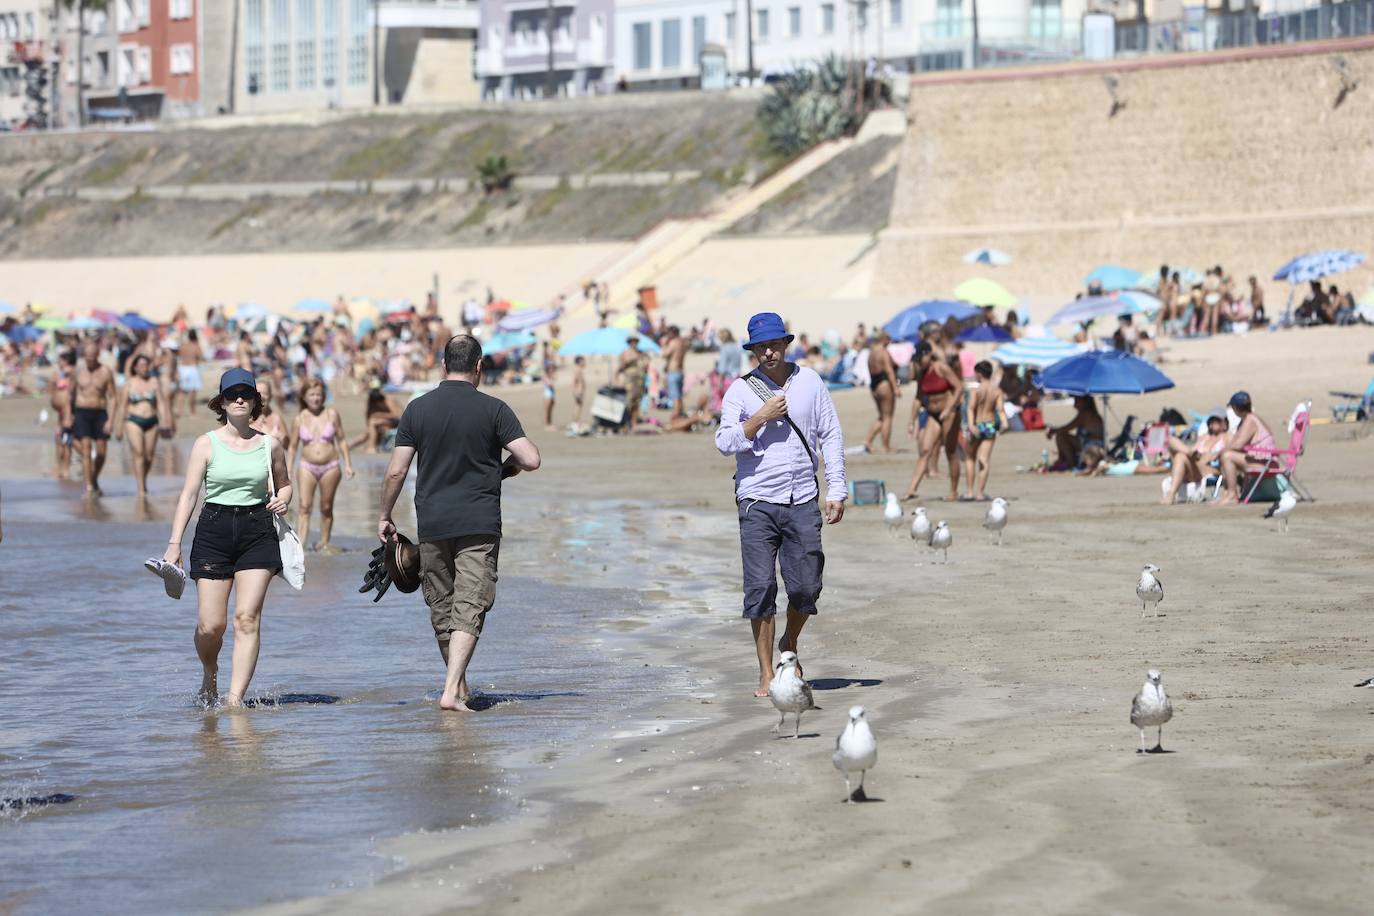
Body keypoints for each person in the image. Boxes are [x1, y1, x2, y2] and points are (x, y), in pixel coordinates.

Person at [378, 335, 541, 712]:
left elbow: (396, 471)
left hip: (433, 523)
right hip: (479, 522)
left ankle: (459, 687)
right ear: (479, 367)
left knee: (443, 607)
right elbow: (530, 459)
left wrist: (384, 516)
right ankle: (452, 692)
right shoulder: (494, 409)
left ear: (442, 365)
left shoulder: (417, 409)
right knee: (470, 604)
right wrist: (506, 468)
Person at [714, 312, 846, 699]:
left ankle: (790, 639)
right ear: (753, 350)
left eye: (774, 345)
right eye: (761, 347)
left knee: (806, 586)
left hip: (803, 495)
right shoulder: (740, 390)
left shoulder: (810, 382)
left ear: (786, 344)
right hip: (756, 499)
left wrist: (836, 489)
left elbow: (831, 435)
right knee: (760, 588)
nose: (769, 352)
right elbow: (724, 442)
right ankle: (767, 672)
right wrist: (760, 418)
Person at [163, 368, 292, 707]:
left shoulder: (270, 445)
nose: (239, 399)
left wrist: (285, 497)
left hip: (257, 530)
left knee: (246, 618)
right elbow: (189, 495)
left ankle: (235, 700)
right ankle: (210, 674)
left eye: (246, 394)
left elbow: (285, 482)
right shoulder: (205, 444)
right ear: (221, 401)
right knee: (211, 626)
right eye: (232, 393)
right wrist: (174, 544)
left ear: (255, 402)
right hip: (213, 531)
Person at [288, 379, 354, 554]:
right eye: (312, 394)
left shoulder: (332, 414)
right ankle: (301, 544)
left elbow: (341, 439)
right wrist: (288, 468)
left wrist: (348, 464)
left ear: (323, 396)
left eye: (318, 394)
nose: (316, 398)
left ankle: (324, 542)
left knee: (326, 506)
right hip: (306, 466)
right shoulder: (299, 418)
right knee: (304, 506)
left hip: (330, 466)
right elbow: (293, 446)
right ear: (304, 396)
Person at [902, 342, 964, 501]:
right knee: (925, 451)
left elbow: (958, 387)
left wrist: (949, 408)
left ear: (928, 354)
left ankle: (953, 491)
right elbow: (918, 398)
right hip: (933, 414)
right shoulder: (921, 373)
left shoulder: (941, 368)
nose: (918, 362)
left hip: (949, 413)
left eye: (920, 358)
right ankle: (912, 489)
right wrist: (911, 421)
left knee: (950, 451)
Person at [113, 353, 170, 498]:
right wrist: (118, 427)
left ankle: (143, 479)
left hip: (152, 421)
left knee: (149, 456)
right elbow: (122, 407)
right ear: (135, 367)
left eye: (146, 365)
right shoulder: (129, 383)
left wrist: (166, 423)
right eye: (141, 366)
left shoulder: (154, 382)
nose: (144, 368)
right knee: (138, 453)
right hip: (133, 421)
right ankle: (141, 489)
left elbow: (162, 404)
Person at [71, 341, 115, 496]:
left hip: (100, 412)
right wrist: (69, 415)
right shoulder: (78, 371)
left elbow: (112, 397)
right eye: (86, 357)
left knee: (102, 452)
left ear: (97, 356)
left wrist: (111, 420)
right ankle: (89, 487)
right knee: (86, 449)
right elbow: (71, 394)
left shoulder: (105, 372)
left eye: (92, 358)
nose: (89, 361)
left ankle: (94, 477)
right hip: (82, 412)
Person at [1217, 391, 1276, 506]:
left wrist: (1221, 451)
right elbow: (1235, 441)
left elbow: (1238, 445)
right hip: (1261, 459)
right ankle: (1227, 493)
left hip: (1265, 463)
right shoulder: (1247, 419)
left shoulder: (1250, 420)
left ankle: (1233, 494)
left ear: (1235, 408)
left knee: (1227, 456)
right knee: (1225, 454)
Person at [1161, 413, 1229, 504]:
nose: (1213, 423)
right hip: (1194, 464)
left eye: (1217, 420)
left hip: (1209, 469)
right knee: (1171, 440)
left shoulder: (1228, 437)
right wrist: (1192, 453)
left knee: (1181, 456)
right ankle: (1187, 451)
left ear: (1225, 423)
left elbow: (1229, 453)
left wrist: (1214, 455)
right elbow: (1194, 450)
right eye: (1211, 421)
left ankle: (1171, 494)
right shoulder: (1204, 437)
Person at [963, 361, 1005, 500]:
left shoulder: (976, 390)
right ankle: (980, 493)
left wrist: (971, 425)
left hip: (978, 424)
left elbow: (970, 408)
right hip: (990, 425)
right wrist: (1004, 423)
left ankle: (969, 492)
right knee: (984, 459)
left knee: (970, 457)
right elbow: (1000, 409)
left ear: (979, 374)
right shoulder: (996, 391)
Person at [861, 330, 900, 454]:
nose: (890, 341)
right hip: (884, 385)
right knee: (888, 417)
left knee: (882, 416)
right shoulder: (883, 353)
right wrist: (895, 388)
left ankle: (867, 440)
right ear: (883, 339)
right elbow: (889, 371)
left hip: (874, 386)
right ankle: (885, 446)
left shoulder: (871, 353)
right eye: (888, 338)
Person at [1045, 395, 1104, 471]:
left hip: (1094, 447)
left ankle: (1071, 463)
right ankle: (1063, 460)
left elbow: (1066, 428)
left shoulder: (1086, 414)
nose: (1075, 402)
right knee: (1062, 436)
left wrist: (1052, 431)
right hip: (1092, 444)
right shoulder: (1090, 413)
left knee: (1061, 436)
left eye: (1077, 399)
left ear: (1084, 402)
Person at [50, 351, 75, 480]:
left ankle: (65, 468)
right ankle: (59, 467)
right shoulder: (59, 373)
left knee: (66, 441)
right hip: (61, 412)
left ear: (66, 360)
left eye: (60, 360)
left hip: (68, 412)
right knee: (59, 440)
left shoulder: (70, 372)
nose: (59, 362)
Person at [353, 386, 402, 453]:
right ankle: (349, 446)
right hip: (385, 423)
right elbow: (369, 415)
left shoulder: (388, 400)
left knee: (373, 423)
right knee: (367, 433)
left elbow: (397, 415)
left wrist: (380, 414)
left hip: (398, 422)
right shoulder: (373, 402)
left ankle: (372, 447)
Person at [617, 334, 649, 432]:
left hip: (639, 381)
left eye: (635, 341)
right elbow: (621, 367)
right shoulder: (625, 353)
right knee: (628, 402)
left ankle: (634, 423)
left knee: (637, 402)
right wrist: (631, 360)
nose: (634, 343)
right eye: (632, 341)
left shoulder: (642, 353)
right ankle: (626, 424)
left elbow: (646, 367)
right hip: (629, 382)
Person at [252, 378, 291, 450]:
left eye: (265, 393)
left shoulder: (277, 417)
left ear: (270, 397)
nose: (261, 396)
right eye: (258, 393)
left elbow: (288, 446)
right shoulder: (247, 418)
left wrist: (284, 439)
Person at [662, 326, 688, 419]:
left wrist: (664, 344)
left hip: (673, 371)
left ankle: (676, 415)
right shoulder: (683, 343)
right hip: (680, 371)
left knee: (675, 395)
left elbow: (665, 354)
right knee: (679, 395)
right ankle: (680, 413)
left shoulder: (673, 343)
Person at [177, 329, 205, 417]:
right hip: (193, 369)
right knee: (192, 391)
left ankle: (180, 411)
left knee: (182, 391)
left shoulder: (183, 346)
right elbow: (201, 357)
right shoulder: (196, 346)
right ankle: (192, 411)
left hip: (182, 368)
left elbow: (179, 355)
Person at [571, 356, 586, 428]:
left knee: (579, 406)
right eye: (583, 361)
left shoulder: (579, 369)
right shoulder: (577, 370)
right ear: (579, 362)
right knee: (577, 406)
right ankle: (575, 421)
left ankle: (577, 420)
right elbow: (574, 381)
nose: (584, 362)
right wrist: (575, 391)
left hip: (580, 391)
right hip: (578, 391)